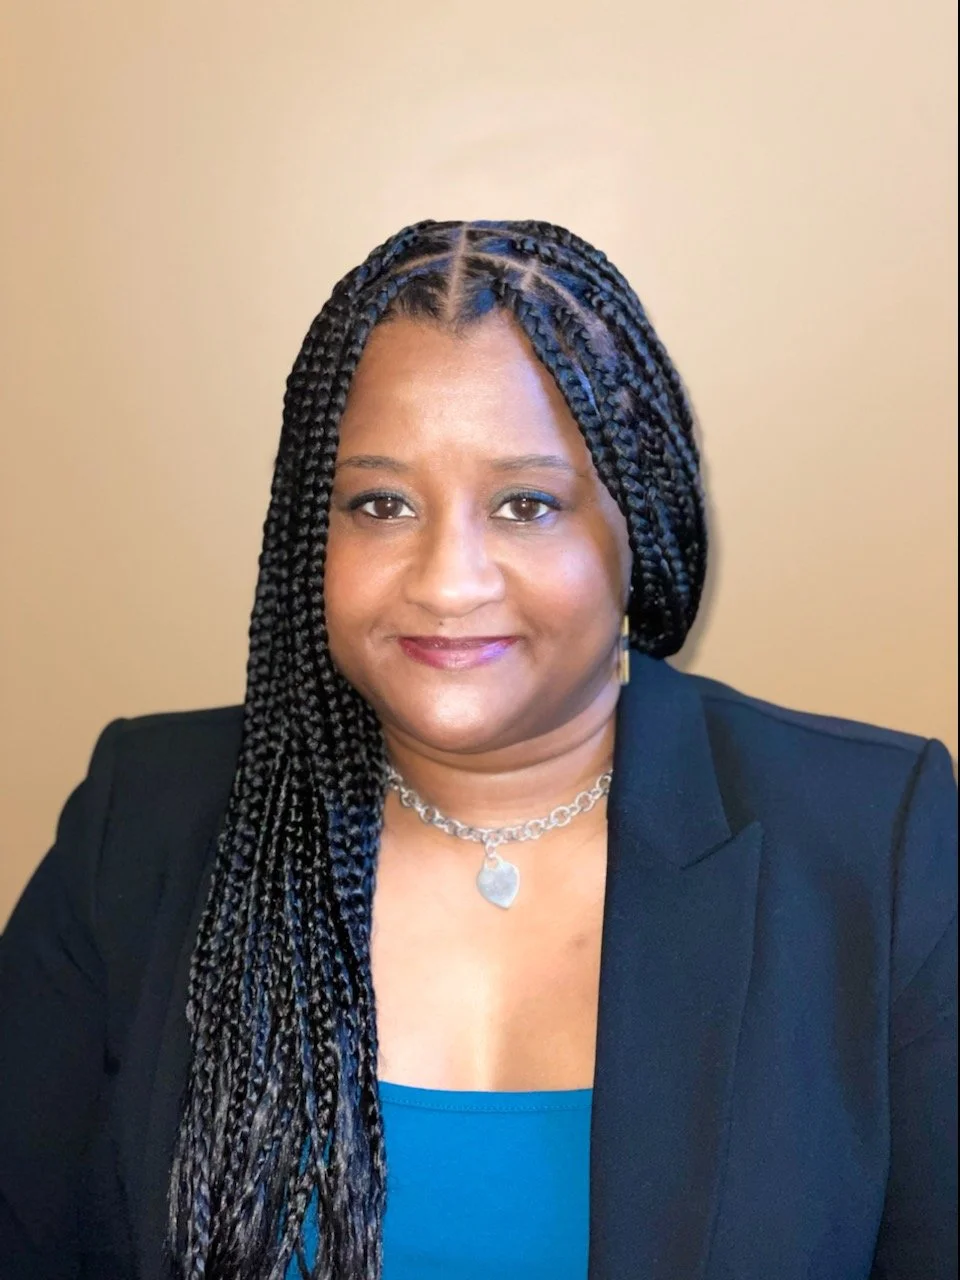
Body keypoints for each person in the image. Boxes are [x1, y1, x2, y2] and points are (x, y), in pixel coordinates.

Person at [0, 219, 955, 1280]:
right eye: (381, 503)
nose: (448, 581)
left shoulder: (878, 838)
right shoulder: (139, 824)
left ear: (640, 520)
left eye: (526, 504)